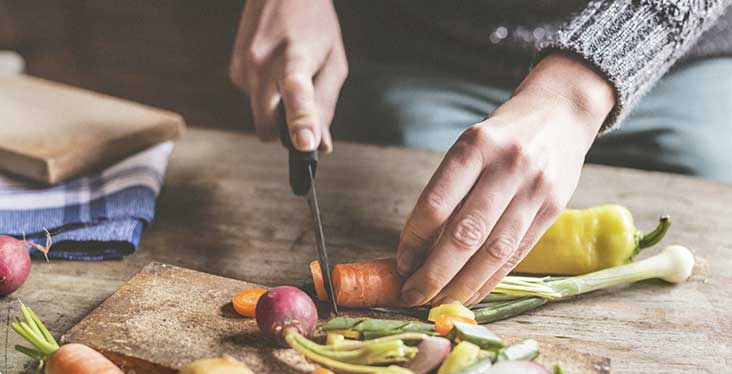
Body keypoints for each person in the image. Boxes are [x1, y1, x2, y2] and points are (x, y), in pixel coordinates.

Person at [229, 0, 732, 307]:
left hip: (669, 54)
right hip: (430, 51)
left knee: (710, 182)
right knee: (429, 219)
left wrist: (574, 94)